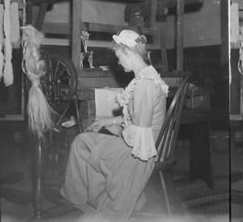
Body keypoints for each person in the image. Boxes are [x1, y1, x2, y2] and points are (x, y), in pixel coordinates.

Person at [61, 29, 169, 220]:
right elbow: (138, 120)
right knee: (83, 141)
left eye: (120, 57)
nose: (119, 62)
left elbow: (140, 132)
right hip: (139, 142)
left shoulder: (145, 83)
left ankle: (88, 200)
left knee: (83, 143)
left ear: (129, 52)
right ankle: (87, 199)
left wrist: (117, 129)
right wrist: (108, 121)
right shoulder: (144, 78)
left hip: (140, 152)